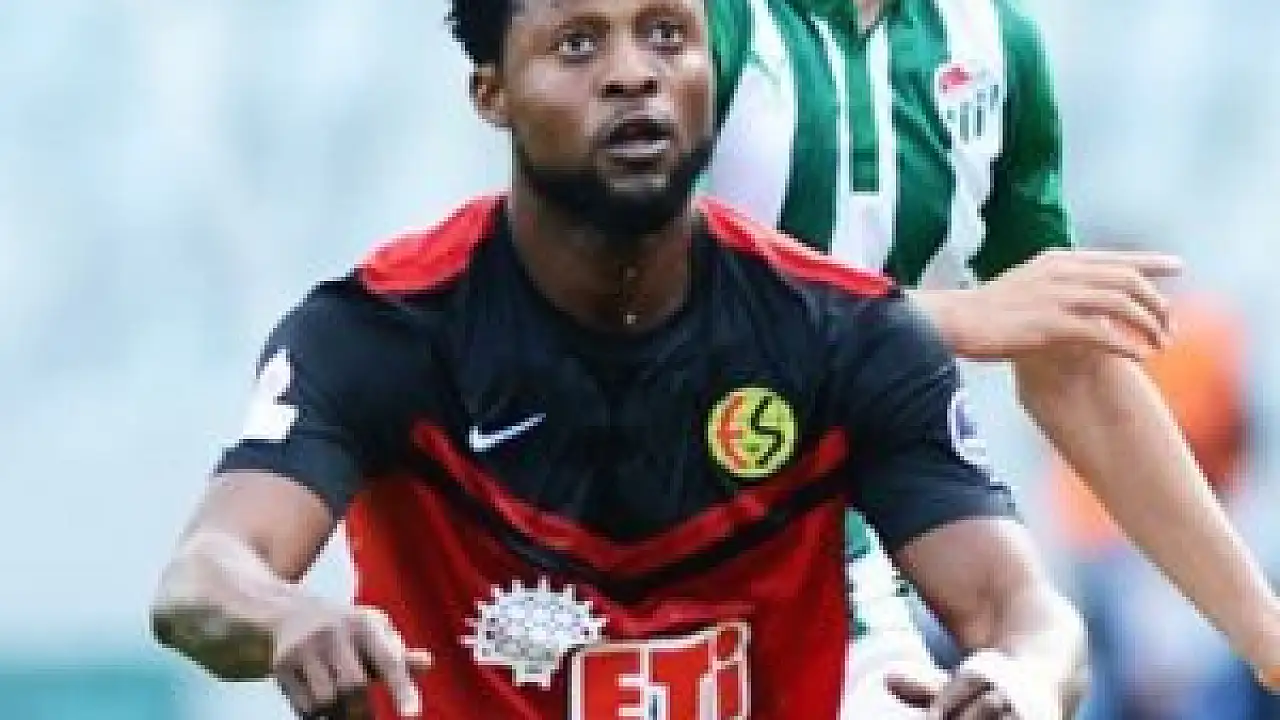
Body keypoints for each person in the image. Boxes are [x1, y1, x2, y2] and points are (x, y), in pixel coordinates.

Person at [150, 0, 1086, 717]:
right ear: (491, 93)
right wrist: (290, 618)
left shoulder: (851, 336)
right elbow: (204, 573)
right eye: (577, 45)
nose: (634, 74)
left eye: (668, 35)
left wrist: (1024, 677)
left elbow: (1022, 609)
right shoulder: (379, 330)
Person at [696, 0, 1280, 707]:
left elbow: (1071, 370)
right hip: (614, 544)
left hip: (838, 572)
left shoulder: (992, 44)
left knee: (1036, 659)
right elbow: (626, 298)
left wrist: (1267, 639)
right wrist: (942, 318)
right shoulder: (698, 23)